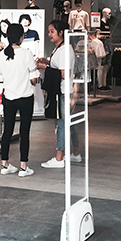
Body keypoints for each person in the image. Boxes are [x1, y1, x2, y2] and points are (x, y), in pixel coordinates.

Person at [0, 23, 38, 178]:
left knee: (7, 131)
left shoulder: (1, 55)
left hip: (9, 97)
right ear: (22, 37)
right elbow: (34, 79)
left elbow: (0, 79)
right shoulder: (27, 53)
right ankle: (23, 167)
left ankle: (4, 164)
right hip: (25, 97)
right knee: (24, 132)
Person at [36, 20, 81, 168]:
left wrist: (45, 67)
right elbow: (58, 67)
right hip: (62, 90)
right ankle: (75, 152)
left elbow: (64, 73)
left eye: (52, 31)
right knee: (68, 122)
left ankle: (59, 157)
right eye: (48, 31)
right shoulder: (59, 48)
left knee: (61, 122)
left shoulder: (64, 50)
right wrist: (47, 62)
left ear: (61, 32)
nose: (49, 34)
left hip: (62, 90)